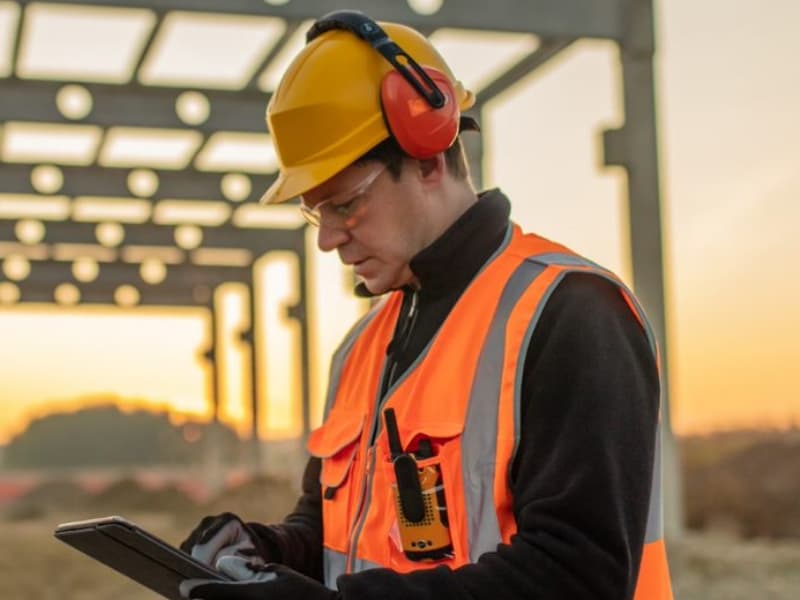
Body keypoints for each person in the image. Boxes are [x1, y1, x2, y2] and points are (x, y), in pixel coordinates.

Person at [178, 10, 673, 600]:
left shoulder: (572, 316)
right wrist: (265, 552)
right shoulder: (361, 349)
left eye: (346, 204)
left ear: (430, 157)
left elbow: (574, 575)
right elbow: (337, 533)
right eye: (316, 211)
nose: (327, 237)